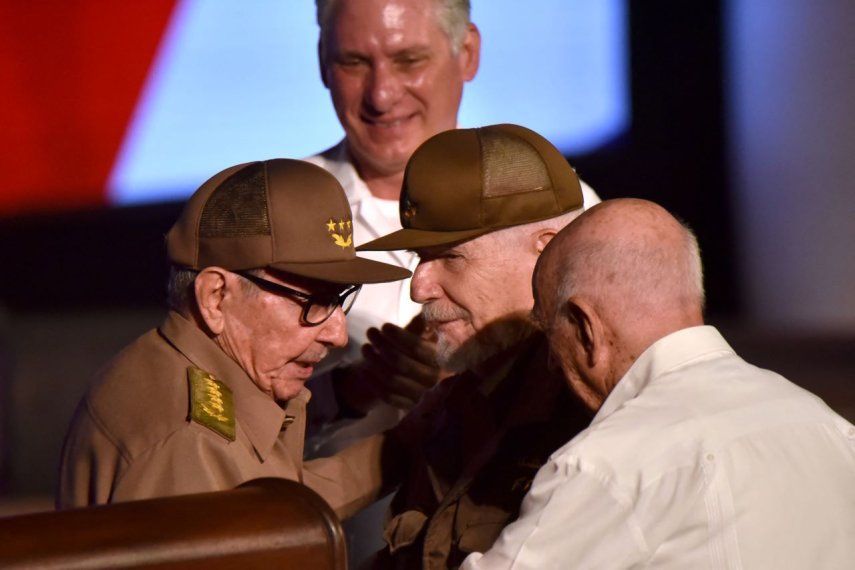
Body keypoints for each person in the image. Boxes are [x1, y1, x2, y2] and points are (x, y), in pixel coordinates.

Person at [462, 199, 855, 569]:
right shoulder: (832, 429)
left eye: (550, 332)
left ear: (586, 327)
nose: (550, 361)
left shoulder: (606, 465)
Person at [305, 0, 602, 431]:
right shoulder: (269, 216)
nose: (382, 94)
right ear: (321, 62)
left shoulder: (557, 205)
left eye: (409, 60)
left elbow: (617, 389)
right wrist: (350, 390)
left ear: (467, 53)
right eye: (353, 62)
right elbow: (218, 430)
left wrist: (485, 372)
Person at [57, 159, 410, 519]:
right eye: (314, 301)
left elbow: (273, 501)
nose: (337, 334)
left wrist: (407, 438)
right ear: (215, 296)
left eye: (339, 299)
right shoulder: (190, 444)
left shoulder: (174, 366)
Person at [357, 123, 593, 569]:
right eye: (418, 259)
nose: (419, 288)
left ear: (546, 251)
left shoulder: (592, 406)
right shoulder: (458, 401)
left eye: (450, 257)